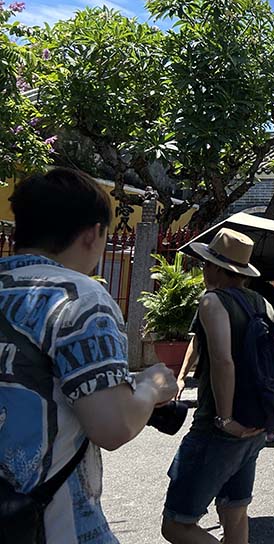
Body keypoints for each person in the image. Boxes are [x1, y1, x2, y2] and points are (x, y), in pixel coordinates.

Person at [0, 168, 178, 543]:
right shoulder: (79, 299)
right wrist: (151, 386)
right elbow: (112, 427)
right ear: (93, 233)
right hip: (52, 524)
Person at [161, 228, 274, 544]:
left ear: (218, 268)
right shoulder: (262, 303)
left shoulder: (212, 302)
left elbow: (221, 361)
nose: (203, 270)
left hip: (216, 428)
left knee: (176, 525)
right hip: (257, 423)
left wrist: (226, 419)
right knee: (235, 513)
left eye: (206, 264)